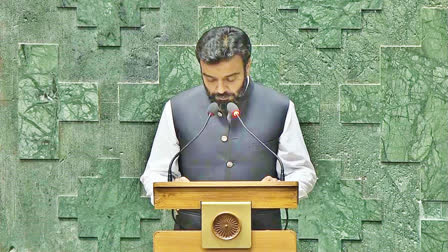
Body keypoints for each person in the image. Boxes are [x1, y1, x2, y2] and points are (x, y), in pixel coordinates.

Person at [140, 26, 317, 230]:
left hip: (263, 237)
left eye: (231, 79)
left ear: (248, 66)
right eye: (210, 79)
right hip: (191, 237)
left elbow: (302, 171)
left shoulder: (280, 107)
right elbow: (155, 173)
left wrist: (284, 188)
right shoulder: (176, 108)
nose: (221, 88)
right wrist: (172, 188)